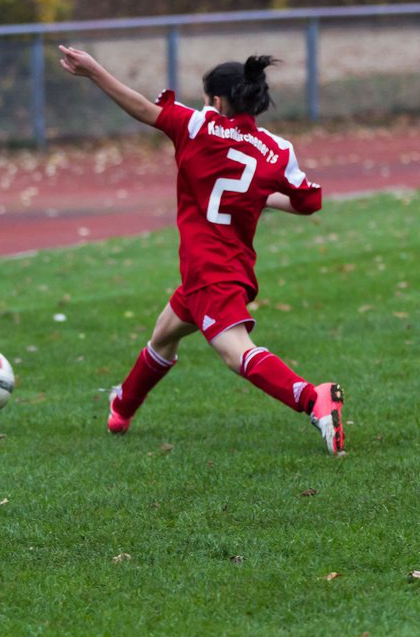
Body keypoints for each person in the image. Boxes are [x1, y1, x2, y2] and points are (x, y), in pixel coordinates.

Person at [57, 45, 345, 455]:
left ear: (216, 100)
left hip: (212, 273)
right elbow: (307, 202)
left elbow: (140, 108)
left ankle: (311, 398)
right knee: (163, 336)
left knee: (236, 354)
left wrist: (94, 71)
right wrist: (257, 198)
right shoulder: (278, 150)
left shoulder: (197, 126)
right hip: (218, 269)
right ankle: (122, 406)